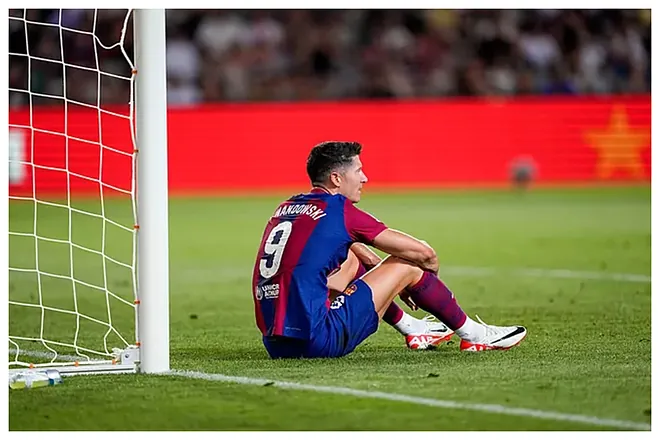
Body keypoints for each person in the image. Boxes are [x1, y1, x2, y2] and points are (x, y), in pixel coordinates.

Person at [251, 141, 527, 358]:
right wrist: (422, 282)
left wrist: (380, 271)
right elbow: (424, 254)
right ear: (336, 178)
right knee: (408, 263)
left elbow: (343, 246)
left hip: (276, 344)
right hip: (317, 341)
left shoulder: (288, 207)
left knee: (350, 256)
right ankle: (475, 335)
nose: (365, 178)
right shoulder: (339, 210)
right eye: (358, 171)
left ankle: (413, 327)